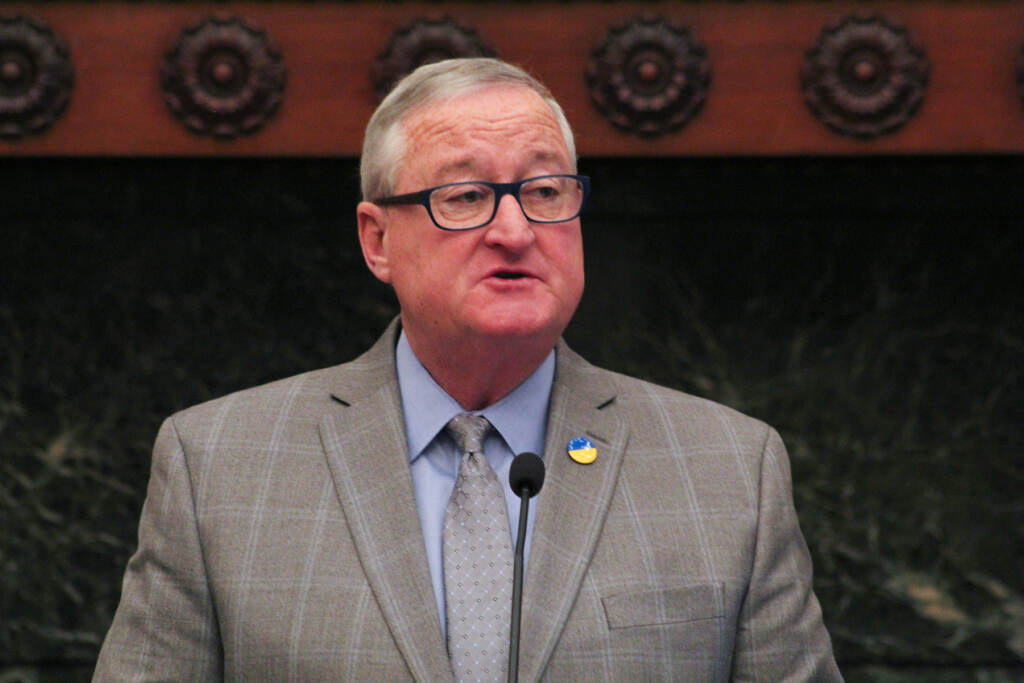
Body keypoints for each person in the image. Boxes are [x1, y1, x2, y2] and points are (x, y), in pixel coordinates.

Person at [94, 58, 841, 681]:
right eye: (466, 196)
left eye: (545, 191)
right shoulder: (218, 466)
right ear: (377, 238)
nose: (514, 230)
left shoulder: (727, 470)